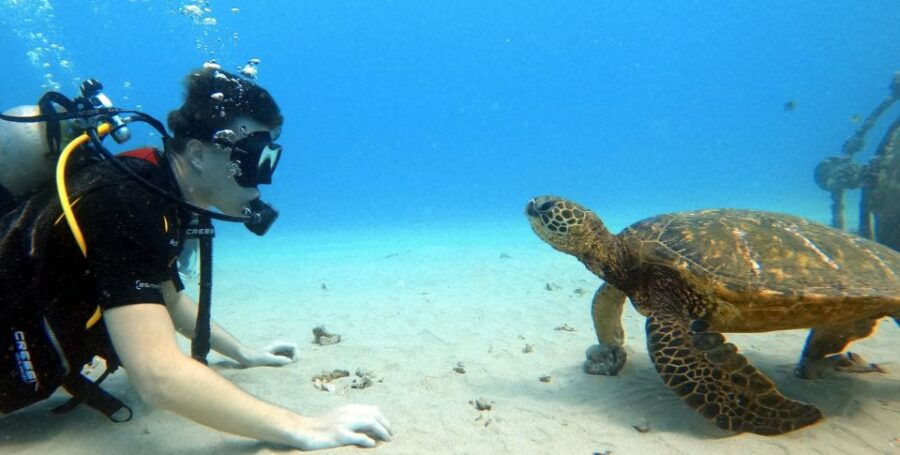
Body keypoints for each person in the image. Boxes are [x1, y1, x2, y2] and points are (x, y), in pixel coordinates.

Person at [0, 66, 392, 450]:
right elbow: (158, 376)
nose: (263, 175)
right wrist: (303, 427)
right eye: (254, 157)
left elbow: (167, 299)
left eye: (270, 157)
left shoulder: (157, 192)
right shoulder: (127, 203)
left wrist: (241, 352)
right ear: (199, 153)